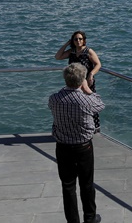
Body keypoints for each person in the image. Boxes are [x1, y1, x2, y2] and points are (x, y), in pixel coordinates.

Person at [49, 63, 105, 223]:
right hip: (83, 146)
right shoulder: (85, 100)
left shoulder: (54, 99)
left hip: (62, 146)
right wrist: (88, 90)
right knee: (86, 184)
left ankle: (73, 221)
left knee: (68, 186)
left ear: (65, 79)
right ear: (82, 80)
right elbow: (100, 105)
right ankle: (90, 218)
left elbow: (52, 107)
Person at [55, 31, 102, 130]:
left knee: (89, 103)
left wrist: (91, 74)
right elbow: (58, 57)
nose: (78, 41)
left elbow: (98, 64)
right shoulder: (71, 51)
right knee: (75, 104)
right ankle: (78, 125)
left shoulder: (89, 51)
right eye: (76, 39)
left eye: (80, 39)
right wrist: (66, 44)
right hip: (73, 83)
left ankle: (94, 127)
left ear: (84, 40)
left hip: (86, 82)